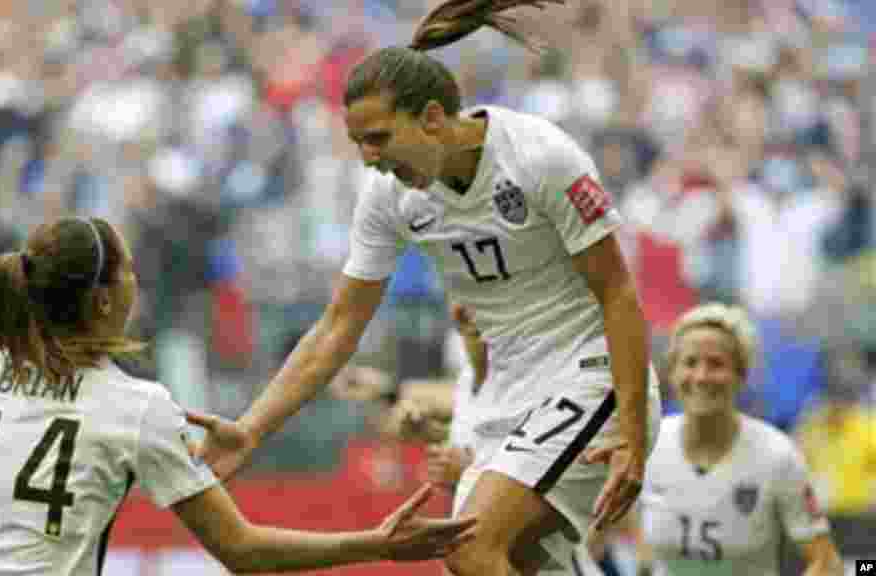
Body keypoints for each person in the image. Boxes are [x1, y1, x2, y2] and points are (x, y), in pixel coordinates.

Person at [187, 1, 663, 575]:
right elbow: (338, 328)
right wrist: (251, 428)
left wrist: (633, 440)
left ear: (434, 118)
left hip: (588, 376)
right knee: (501, 559)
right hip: (503, 397)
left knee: (468, 545)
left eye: (379, 138)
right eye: (359, 142)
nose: (370, 159)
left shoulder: (540, 156)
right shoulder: (389, 197)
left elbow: (619, 294)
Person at [0, 217, 477, 576]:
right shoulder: (135, 406)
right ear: (103, 300)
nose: (135, 280)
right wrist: (375, 544)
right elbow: (242, 551)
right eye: (126, 270)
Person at [587, 303, 843, 576]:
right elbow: (591, 543)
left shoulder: (777, 455)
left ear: (741, 375)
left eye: (716, 364)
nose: (701, 376)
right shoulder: (646, 445)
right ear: (672, 373)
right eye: (690, 362)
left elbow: (827, 563)